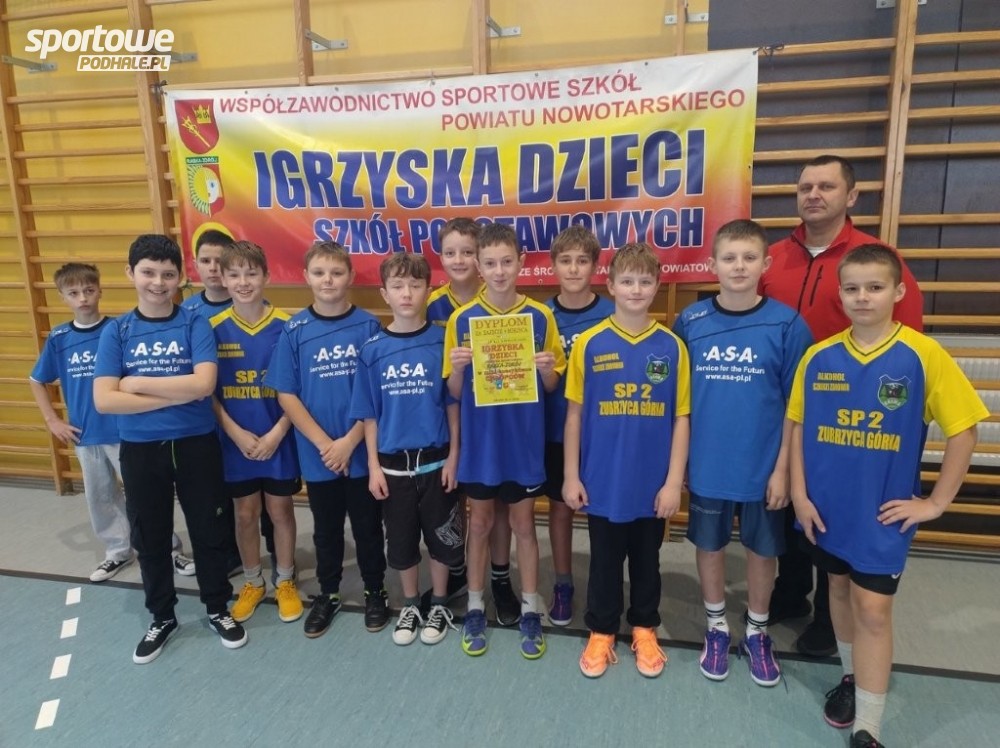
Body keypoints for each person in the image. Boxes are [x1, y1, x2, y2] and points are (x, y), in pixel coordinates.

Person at [788, 244, 987, 748]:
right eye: (852, 288)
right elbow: (797, 428)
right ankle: (852, 677)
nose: (862, 297)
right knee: (836, 592)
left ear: (898, 292)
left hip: (882, 514)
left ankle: (868, 727)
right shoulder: (817, 356)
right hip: (825, 509)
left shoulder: (923, 354)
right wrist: (799, 494)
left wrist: (936, 503)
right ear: (840, 295)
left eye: (874, 287)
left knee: (873, 610)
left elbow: (964, 430)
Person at [761, 154, 924, 658]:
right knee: (786, 502)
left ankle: (829, 623)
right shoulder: (772, 258)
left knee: (831, 509)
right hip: (778, 404)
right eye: (805, 186)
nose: (813, 195)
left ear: (851, 196)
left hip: (846, 415)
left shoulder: (876, 260)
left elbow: (908, 344)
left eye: (826, 186)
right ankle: (790, 591)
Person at [93, 234, 246, 664]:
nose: (158, 282)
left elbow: (204, 385)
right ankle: (162, 616)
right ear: (130, 274)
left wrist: (137, 384)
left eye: (167, 274)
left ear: (180, 277)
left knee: (208, 530)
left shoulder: (195, 323)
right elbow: (105, 399)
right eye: (148, 272)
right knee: (151, 535)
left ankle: (217, 607)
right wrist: (177, 394)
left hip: (196, 444)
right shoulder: (117, 331)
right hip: (141, 449)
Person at [674, 220, 813, 686]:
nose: (738, 266)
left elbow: (796, 409)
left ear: (765, 264)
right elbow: (678, 403)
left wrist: (783, 470)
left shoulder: (787, 325)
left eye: (749, 257)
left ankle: (757, 631)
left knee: (761, 551)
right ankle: (717, 627)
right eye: (729, 258)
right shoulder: (690, 322)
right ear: (712, 264)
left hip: (763, 468)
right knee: (709, 546)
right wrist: (682, 462)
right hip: (708, 465)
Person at [563, 242, 690, 679]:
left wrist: (673, 481)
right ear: (611, 285)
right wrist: (571, 475)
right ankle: (601, 629)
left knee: (647, 560)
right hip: (602, 480)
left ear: (657, 286)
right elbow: (574, 415)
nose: (636, 289)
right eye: (628, 281)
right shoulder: (589, 344)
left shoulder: (672, 347)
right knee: (603, 559)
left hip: (651, 484)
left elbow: (681, 418)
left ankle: (644, 626)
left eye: (645, 281)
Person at [444, 222, 566, 658]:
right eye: (490, 263)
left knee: (523, 526)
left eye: (507, 262)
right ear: (478, 266)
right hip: (481, 445)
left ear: (522, 263)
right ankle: (476, 606)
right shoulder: (461, 320)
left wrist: (547, 370)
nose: (499, 271)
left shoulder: (540, 316)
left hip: (523, 444)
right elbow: (453, 392)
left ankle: (530, 609)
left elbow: (553, 386)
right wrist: (459, 368)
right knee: (478, 524)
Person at [263, 241, 388, 638]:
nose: (328, 280)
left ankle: (375, 590)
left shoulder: (368, 326)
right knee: (326, 528)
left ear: (350, 277)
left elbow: (377, 393)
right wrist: (325, 444)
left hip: (360, 450)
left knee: (368, 527)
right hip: (319, 455)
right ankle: (329, 592)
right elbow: (286, 394)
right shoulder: (295, 330)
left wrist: (349, 442)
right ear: (306, 277)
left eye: (336, 272)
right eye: (319, 273)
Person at [351, 253, 464, 646]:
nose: (406, 293)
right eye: (397, 286)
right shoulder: (372, 350)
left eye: (415, 285)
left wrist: (454, 456)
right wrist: (373, 466)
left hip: (437, 462)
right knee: (400, 542)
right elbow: (369, 415)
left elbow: (452, 406)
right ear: (384, 293)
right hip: (393, 467)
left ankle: (439, 602)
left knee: (442, 540)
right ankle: (411, 604)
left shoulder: (442, 342)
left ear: (428, 290)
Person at [428, 218, 517, 625]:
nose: (460, 260)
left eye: (468, 252)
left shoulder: (499, 297)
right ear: (441, 257)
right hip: (444, 417)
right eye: (451, 252)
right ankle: (458, 571)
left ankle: (500, 578)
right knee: (453, 505)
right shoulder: (431, 304)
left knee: (495, 508)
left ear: (479, 259)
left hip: (492, 423)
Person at [210, 241, 303, 625]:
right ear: (223, 278)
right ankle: (253, 582)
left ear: (266, 275)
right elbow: (208, 393)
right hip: (236, 442)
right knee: (245, 513)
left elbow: (297, 390)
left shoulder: (288, 325)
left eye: (251, 273)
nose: (243, 282)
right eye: (234, 274)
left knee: (280, 511)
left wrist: (278, 433)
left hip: (279, 437)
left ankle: (285, 580)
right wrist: (234, 433)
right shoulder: (212, 328)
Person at [29, 263, 132, 583]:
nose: (83, 298)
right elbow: (37, 380)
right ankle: (118, 550)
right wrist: (52, 420)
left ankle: (166, 549)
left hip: (124, 430)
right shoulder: (60, 338)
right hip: (85, 434)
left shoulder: (119, 329)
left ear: (100, 290)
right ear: (62, 297)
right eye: (73, 293)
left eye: (88, 290)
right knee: (100, 496)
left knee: (143, 495)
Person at [543, 226, 613, 627]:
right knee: (560, 508)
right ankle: (563, 583)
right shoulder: (540, 316)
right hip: (555, 430)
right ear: (553, 266)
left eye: (582, 261)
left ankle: (604, 587)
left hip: (603, 434)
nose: (573, 269)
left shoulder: (612, 314)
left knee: (603, 514)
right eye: (565, 260)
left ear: (595, 266)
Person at [181, 228, 258, 579]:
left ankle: (269, 558)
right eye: (206, 260)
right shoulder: (187, 313)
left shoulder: (250, 304)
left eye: (219, 261)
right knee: (216, 496)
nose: (213, 268)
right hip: (206, 422)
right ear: (195, 264)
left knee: (261, 502)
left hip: (253, 417)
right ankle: (228, 555)